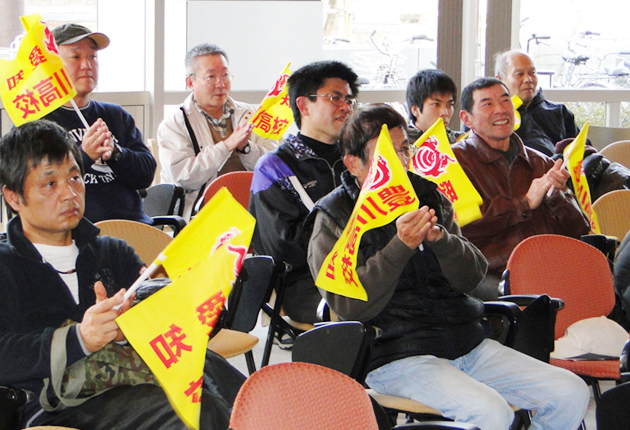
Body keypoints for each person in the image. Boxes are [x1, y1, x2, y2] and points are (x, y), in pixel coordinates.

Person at [307, 103, 590, 430]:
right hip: (395, 354)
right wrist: (400, 246)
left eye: (404, 150)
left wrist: (441, 240)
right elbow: (348, 305)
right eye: (386, 155)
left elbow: (473, 276)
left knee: (570, 392)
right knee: (491, 413)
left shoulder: (429, 196)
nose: (401, 162)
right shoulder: (334, 217)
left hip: (466, 340)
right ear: (353, 163)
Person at [0, 120, 244, 429]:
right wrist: (79, 339)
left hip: (133, 379)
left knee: (232, 391)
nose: (69, 193)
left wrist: (192, 294)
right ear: (14, 197)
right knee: (197, 410)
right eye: (50, 184)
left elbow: (171, 329)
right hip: (56, 403)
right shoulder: (6, 265)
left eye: (75, 177)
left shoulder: (112, 252)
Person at [451, 77, 591, 299]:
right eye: (487, 104)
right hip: (490, 271)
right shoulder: (453, 163)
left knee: (598, 283)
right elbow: (460, 229)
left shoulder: (540, 161)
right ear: (467, 118)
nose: (500, 109)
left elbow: (579, 230)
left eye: (505, 100)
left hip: (549, 264)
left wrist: (558, 195)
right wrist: (524, 203)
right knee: (541, 300)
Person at [249, 60, 359, 325]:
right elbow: (283, 247)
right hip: (306, 281)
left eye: (349, 100)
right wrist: (346, 233)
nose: (345, 107)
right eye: (335, 98)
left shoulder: (357, 159)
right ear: (303, 105)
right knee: (377, 308)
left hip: (364, 267)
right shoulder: (274, 167)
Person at [42, 23, 156, 224]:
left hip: (132, 228)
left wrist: (115, 153)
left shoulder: (115, 115)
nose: (86, 65)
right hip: (73, 233)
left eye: (92, 57)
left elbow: (145, 175)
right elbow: (39, 184)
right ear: (53, 65)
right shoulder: (38, 124)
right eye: (76, 57)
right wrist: (83, 156)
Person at [158, 44, 276, 220]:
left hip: (255, 209)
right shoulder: (175, 124)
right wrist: (226, 146)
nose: (220, 84)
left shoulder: (252, 115)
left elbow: (274, 168)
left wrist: (246, 148)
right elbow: (184, 176)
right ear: (190, 82)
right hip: (203, 213)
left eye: (225, 75)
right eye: (211, 77)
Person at [496, 49, 630, 201]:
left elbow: (585, 152)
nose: (528, 79)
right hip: (532, 190)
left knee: (615, 177)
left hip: (571, 185)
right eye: (519, 74)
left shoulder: (558, 111)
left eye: (532, 73)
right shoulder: (498, 119)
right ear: (500, 80)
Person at [405, 69, 466, 144]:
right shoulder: (400, 145)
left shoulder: (461, 142)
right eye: (436, 104)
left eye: (449, 105)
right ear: (415, 109)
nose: (445, 112)